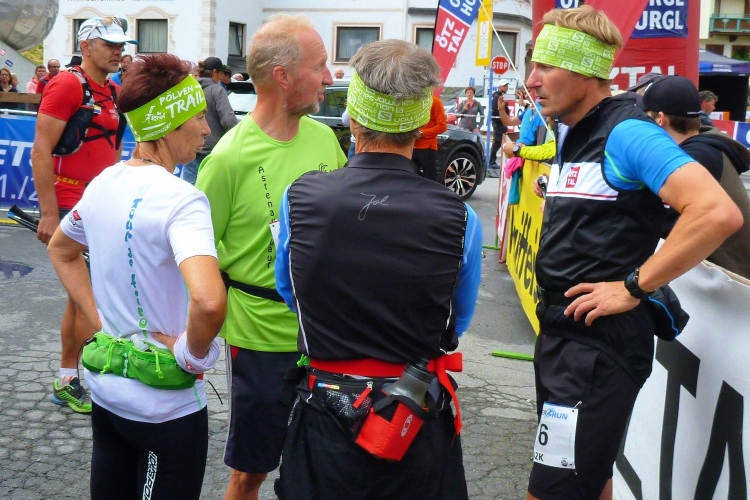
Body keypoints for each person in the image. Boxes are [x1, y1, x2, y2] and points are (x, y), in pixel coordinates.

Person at [525, 6, 742, 500]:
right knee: (590, 481)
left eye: (545, 66)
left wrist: (632, 287)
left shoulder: (627, 130)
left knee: (552, 492)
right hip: (566, 335)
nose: (532, 80)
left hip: (595, 348)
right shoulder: (574, 129)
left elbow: (716, 212)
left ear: (584, 71)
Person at [274, 38, 482, 500]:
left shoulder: (299, 198)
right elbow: (457, 319)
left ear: (353, 117)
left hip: (325, 408)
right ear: (422, 125)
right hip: (413, 413)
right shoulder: (460, 217)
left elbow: (291, 292)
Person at [47, 53, 226, 499]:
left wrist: (102, 321)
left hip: (108, 392)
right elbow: (209, 301)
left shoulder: (104, 183)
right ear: (168, 124)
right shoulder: (183, 199)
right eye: (197, 118)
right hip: (167, 407)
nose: (206, 129)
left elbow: (62, 250)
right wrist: (192, 356)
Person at [194, 14, 347, 500]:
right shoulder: (228, 159)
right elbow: (196, 259)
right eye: (319, 66)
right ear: (283, 76)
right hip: (259, 339)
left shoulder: (325, 139)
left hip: (326, 336)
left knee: (323, 468)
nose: (329, 78)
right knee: (251, 473)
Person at [30, 16, 137, 414]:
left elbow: (113, 150)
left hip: (99, 203)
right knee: (89, 295)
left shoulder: (112, 90)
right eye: (110, 44)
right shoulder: (67, 84)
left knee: (82, 298)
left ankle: (70, 377)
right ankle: (80, 377)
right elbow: (40, 149)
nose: (118, 51)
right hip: (69, 203)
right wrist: (48, 213)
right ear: (86, 46)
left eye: (121, 45)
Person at [642, 75, 750, 279]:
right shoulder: (707, 146)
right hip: (725, 276)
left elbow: (657, 227)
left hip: (726, 284)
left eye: (644, 117)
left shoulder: (692, 158)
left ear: (659, 119)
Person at [181, 56, 237, 185]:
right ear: (215, 72)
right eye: (221, 73)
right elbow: (228, 120)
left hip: (191, 147)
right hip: (213, 150)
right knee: (210, 188)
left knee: (190, 187)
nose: (222, 77)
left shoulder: (190, 89)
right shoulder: (217, 90)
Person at [412, 94, 447, 181]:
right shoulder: (411, 101)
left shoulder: (435, 101)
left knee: (429, 179)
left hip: (427, 148)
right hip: (410, 146)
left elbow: (442, 126)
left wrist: (423, 133)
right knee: (410, 178)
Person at [489, 79, 510, 170]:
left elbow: (514, 97)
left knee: (503, 142)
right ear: (499, 87)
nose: (506, 87)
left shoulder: (503, 96)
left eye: (506, 86)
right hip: (498, 123)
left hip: (502, 122)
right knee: (497, 142)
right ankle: (491, 161)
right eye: (504, 86)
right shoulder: (497, 96)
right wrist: (499, 120)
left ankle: (498, 161)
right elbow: (494, 111)